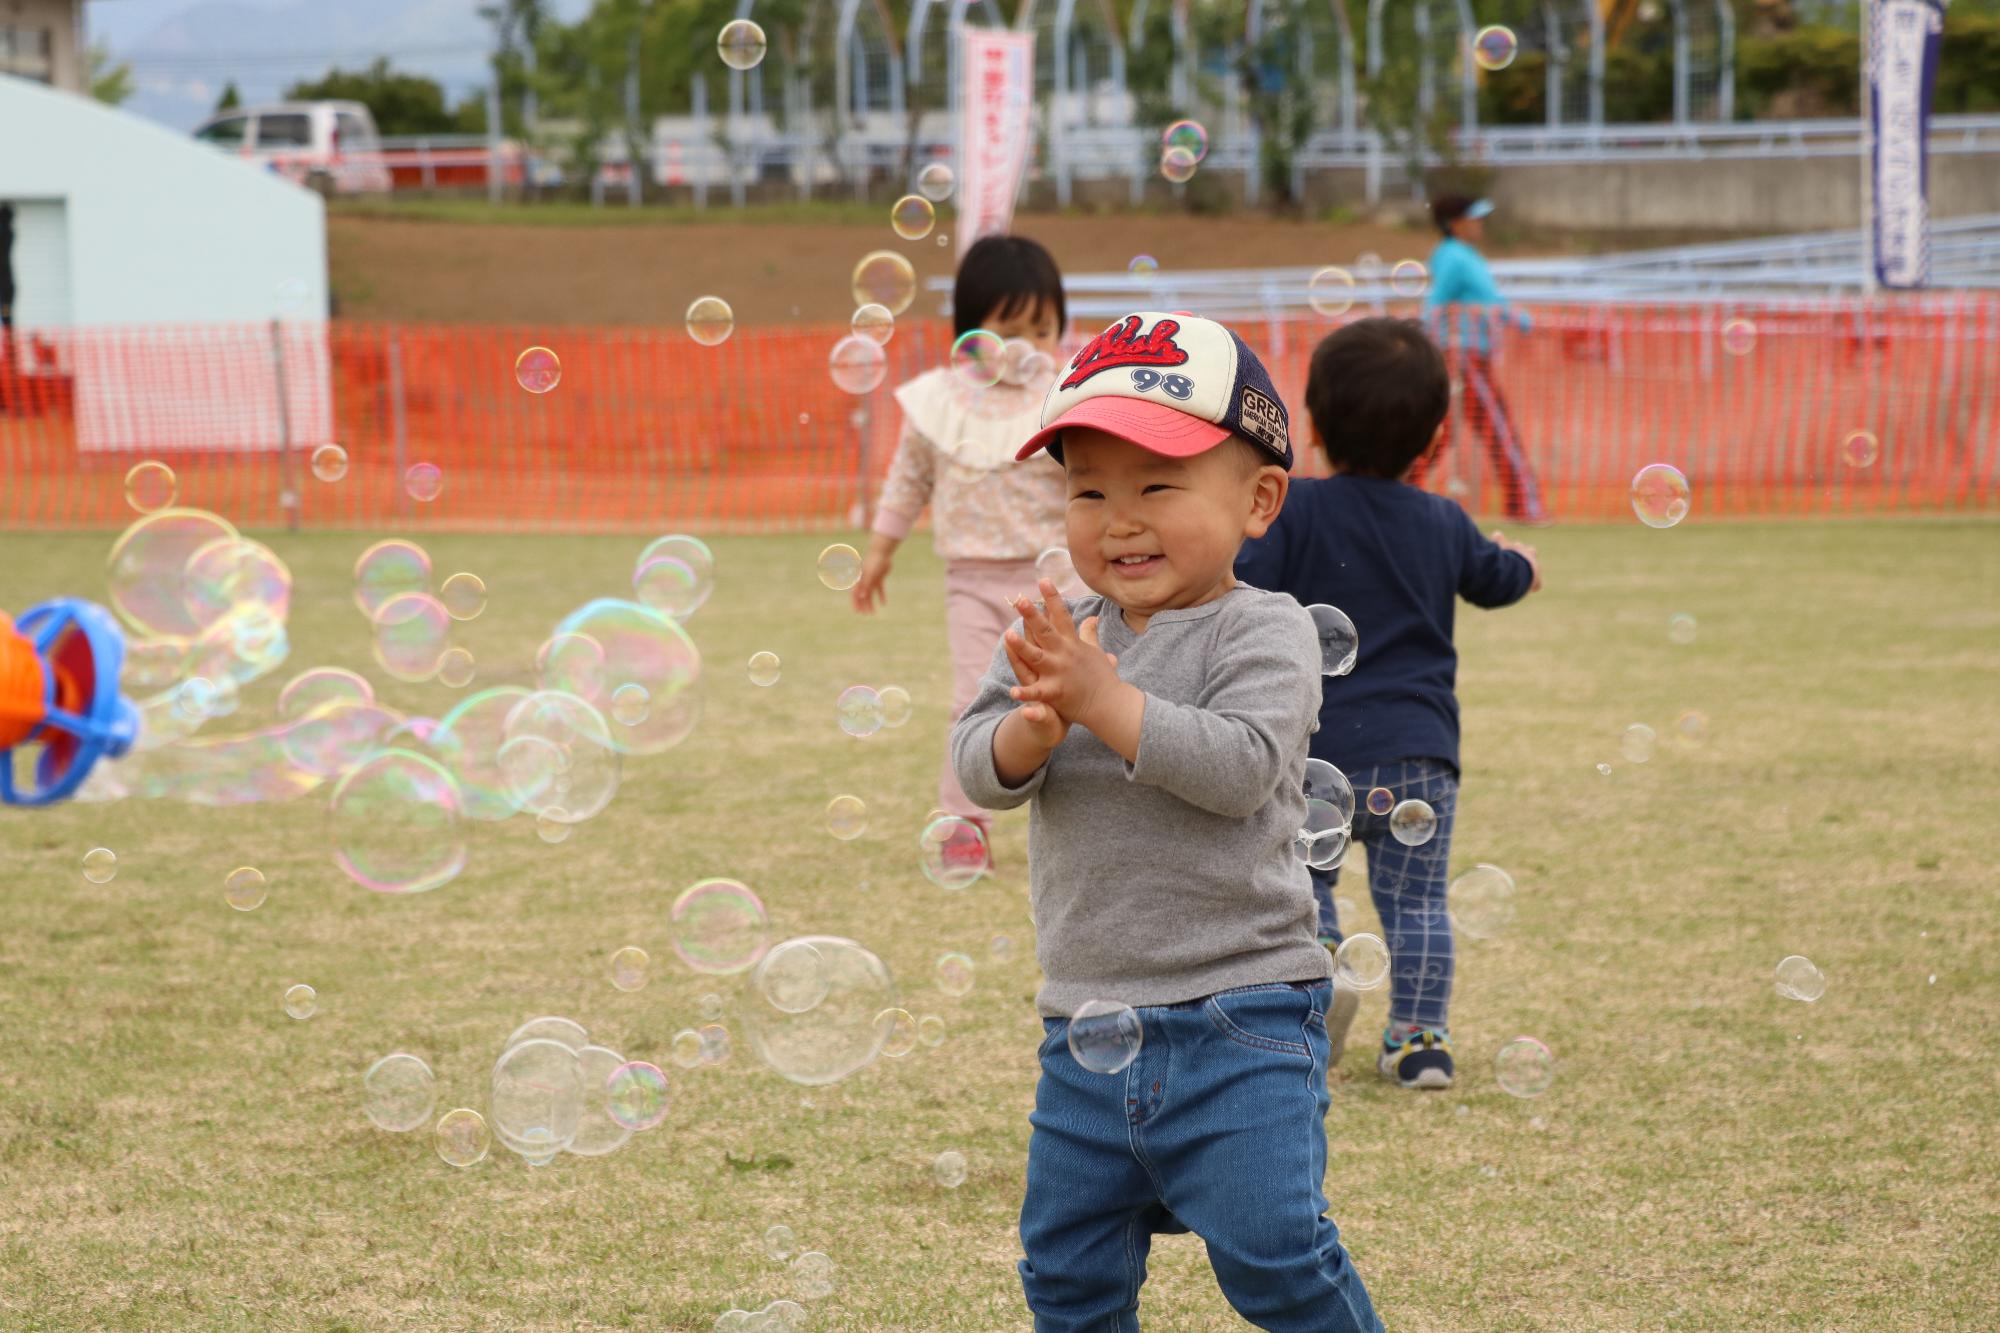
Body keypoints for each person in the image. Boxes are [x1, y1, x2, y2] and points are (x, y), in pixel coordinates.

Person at [952, 311, 1383, 1332]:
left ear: (1259, 498)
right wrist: (1032, 730)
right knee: (1065, 1274)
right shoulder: (1057, 633)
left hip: (1243, 1016)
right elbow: (978, 764)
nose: (1117, 519)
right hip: (1086, 1022)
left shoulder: (1262, 629)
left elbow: (1237, 768)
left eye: (1155, 484)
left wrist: (1101, 701)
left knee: (1275, 1254)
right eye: (1087, 490)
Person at [1235, 317, 1542, 1090]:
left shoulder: (1295, 509)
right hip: (1421, 758)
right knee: (1419, 906)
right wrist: (1525, 566)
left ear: (1311, 423)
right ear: (1436, 439)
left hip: (1315, 751)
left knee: (1308, 887)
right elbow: (1496, 579)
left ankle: (1327, 978)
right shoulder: (1443, 519)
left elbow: (1245, 575)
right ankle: (1420, 1044)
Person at [852, 235, 1068, 845]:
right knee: (973, 702)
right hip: (972, 584)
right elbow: (908, 479)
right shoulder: (940, 402)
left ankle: (1082, 829)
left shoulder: (1066, 397)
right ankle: (960, 827)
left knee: (1076, 705)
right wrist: (878, 554)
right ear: (972, 332)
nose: (1030, 346)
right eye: (1012, 328)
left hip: (1060, 582)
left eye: (1044, 329)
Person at [1419, 193, 1547, 524]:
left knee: (1436, 435)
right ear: (1454, 223)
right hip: (1462, 357)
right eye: (1473, 218)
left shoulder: (1461, 255)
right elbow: (1438, 303)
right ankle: (1526, 506)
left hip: (1467, 354)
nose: (1480, 224)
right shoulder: (1454, 257)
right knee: (1498, 429)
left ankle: (1388, 497)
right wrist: (1525, 321)